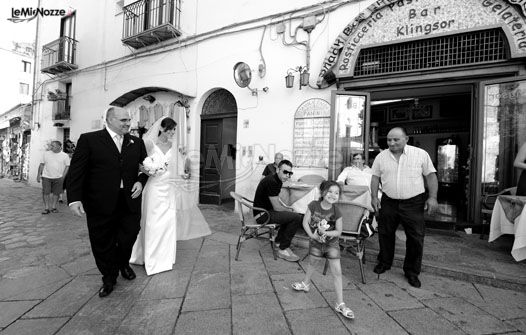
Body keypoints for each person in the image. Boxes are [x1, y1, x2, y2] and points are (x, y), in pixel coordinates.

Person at [67, 107, 148, 297]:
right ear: (109, 120)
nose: (128, 123)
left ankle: (122, 263)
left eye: (129, 120)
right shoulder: (89, 140)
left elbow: (146, 166)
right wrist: (74, 199)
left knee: (129, 236)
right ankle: (109, 277)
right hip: (99, 202)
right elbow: (76, 172)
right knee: (102, 241)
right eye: (123, 120)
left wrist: (140, 181)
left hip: (129, 200)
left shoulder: (136, 142)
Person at [130, 117, 211, 275]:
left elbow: (181, 168)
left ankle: (164, 259)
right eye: (170, 129)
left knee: (168, 223)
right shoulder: (149, 144)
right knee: (152, 223)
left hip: (170, 189)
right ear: (161, 128)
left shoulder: (175, 146)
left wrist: (184, 171)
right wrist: (150, 171)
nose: (173, 132)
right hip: (154, 188)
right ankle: (148, 258)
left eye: (174, 129)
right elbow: (138, 164)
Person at [370, 127, 438, 288]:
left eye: (396, 139)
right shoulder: (381, 157)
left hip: (413, 202)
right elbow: (375, 178)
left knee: (415, 237)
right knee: (385, 234)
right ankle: (384, 262)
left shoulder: (420, 154)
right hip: (389, 201)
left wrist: (433, 197)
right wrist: (374, 197)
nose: (391, 143)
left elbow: (430, 175)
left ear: (406, 139)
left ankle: (412, 272)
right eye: (388, 140)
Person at [291, 180, 354, 319]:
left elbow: (338, 231)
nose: (333, 195)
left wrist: (325, 233)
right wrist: (312, 235)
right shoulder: (313, 205)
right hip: (315, 242)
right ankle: (305, 284)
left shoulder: (336, 211)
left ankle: (340, 303)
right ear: (323, 192)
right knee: (312, 263)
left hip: (332, 245)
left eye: (336, 193)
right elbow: (305, 222)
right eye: (330, 191)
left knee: (337, 272)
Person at [253, 159, 302, 261]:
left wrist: (287, 210)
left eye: (290, 173)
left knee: (288, 215)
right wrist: (289, 211)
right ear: (277, 170)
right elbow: (276, 207)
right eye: (285, 172)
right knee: (296, 217)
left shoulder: (277, 180)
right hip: (262, 215)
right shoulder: (273, 181)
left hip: (266, 211)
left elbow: (276, 202)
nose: (288, 175)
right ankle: (283, 249)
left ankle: (279, 242)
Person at [37, 141, 70, 214]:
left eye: (53, 146)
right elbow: (42, 164)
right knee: (46, 192)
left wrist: (63, 176)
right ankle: (46, 208)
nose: (51, 147)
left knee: (56, 193)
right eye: (51, 146)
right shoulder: (46, 154)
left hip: (58, 177)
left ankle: (54, 207)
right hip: (46, 176)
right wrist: (38, 175)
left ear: (59, 146)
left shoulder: (65, 155)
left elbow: (67, 166)